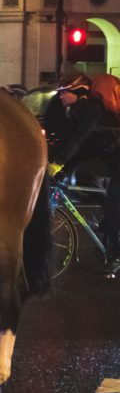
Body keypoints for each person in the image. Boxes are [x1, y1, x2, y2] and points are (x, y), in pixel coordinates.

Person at [46, 72, 120, 276]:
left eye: (64, 92)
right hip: (109, 155)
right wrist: (57, 166)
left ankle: (116, 255)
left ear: (78, 92)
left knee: (114, 202)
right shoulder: (77, 111)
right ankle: (109, 224)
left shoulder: (92, 110)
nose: (60, 96)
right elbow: (78, 145)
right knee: (86, 178)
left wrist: (59, 163)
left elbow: (79, 140)